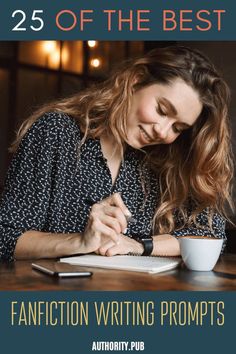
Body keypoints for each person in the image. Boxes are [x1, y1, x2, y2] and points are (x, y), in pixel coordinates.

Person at [0, 45, 234, 262]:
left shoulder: (166, 159)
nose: (163, 132)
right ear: (136, 81)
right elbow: (6, 238)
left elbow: (211, 235)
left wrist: (140, 245)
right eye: (162, 110)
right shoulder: (55, 132)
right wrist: (80, 241)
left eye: (177, 128)